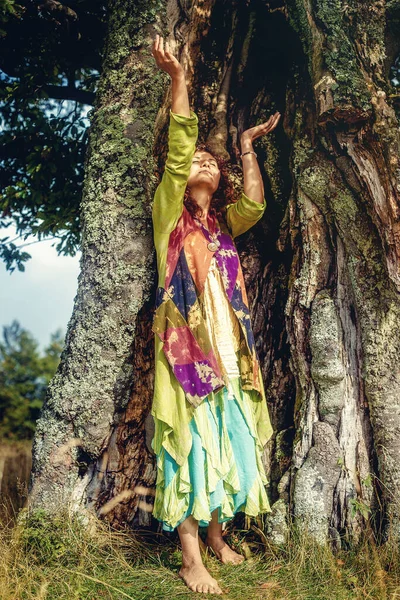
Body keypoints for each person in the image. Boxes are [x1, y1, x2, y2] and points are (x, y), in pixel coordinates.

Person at [150, 34, 280, 595]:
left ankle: (220, 538)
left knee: (228, 441)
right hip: (184, 355)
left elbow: (254, 204)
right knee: (187, 446)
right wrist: (178, 82)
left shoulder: (223, 230)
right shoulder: (167, 219)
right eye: (196, 160)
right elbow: (179, 147)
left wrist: (247, 145)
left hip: (232, 353)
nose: (201, 162)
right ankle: (190, 558)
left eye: (212, 160)